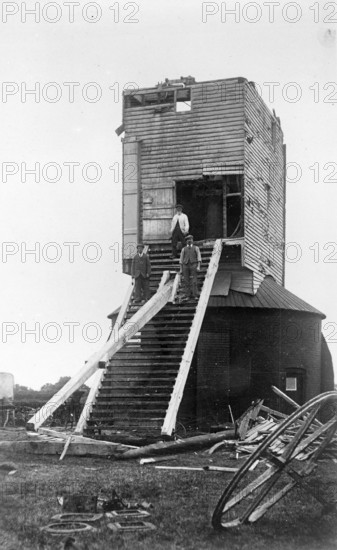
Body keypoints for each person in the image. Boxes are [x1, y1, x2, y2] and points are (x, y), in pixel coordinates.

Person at [179, 235, 201, 301]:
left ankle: (195, 295)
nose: (189, 241)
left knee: (194, 280)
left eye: (190, 239)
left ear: (192, 240)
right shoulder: (183, 249)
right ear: (186, 241)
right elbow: (181, 259)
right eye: (188, 240)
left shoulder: (196, 248)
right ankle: (187, 295)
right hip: (185, 266)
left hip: (193, 265)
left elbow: (199, 257)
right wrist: (181, 269)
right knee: (186, 280)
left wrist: (198, 266)